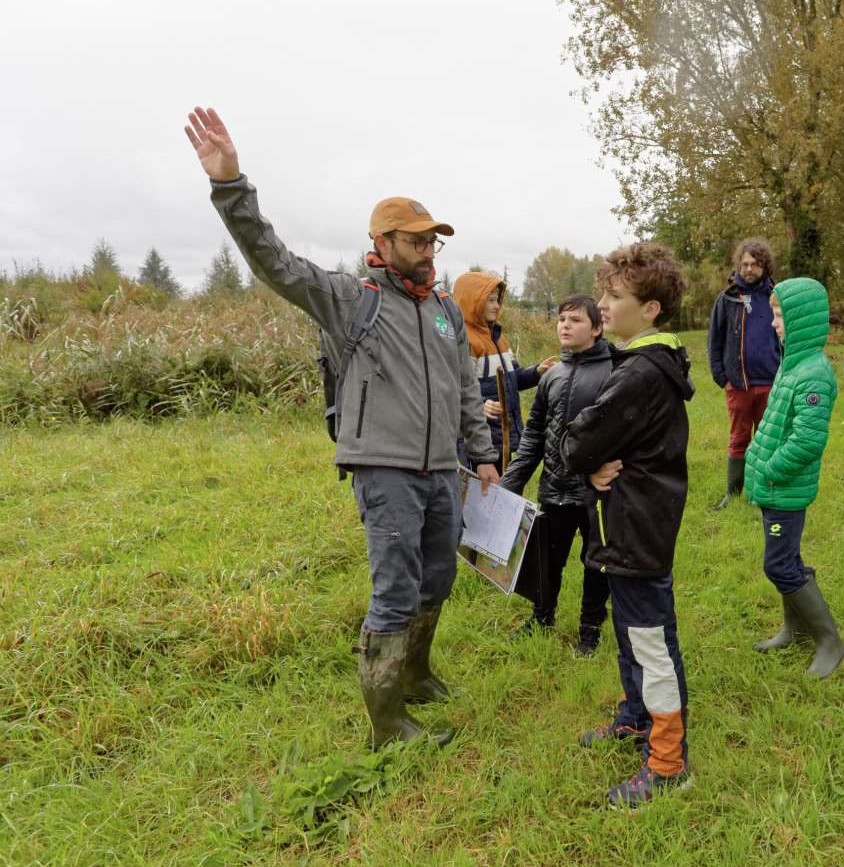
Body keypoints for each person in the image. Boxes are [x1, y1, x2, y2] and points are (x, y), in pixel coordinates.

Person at [183, 107, 499, 750]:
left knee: (439, 578)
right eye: (414, 240)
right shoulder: (353, 300)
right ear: (381, 244)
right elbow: (276, 264)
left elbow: (466, 386)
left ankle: (415, 675)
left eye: (432, 240)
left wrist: (483, 452)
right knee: (396, 589)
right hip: (384, 470)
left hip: (443, 469)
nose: (427, 250)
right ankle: (388, 726)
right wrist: (231, 186)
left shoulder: (442, 311)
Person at [560, 242, 695, 808]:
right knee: (631, 632)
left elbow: (578, 440)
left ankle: (668, 761)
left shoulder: (639, 372)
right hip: (628, 523)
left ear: (652, 310)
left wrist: (583, 459)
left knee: (650, 640)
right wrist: (592, 469)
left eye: (616, 297)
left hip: (638, 527)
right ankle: (637, 717)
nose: (604, 305)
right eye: (605, 294)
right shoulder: (642, 362)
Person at [745, 277, 844, 679]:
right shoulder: (793, 367)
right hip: (774, 488)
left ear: (801, 319)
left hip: (784, 488)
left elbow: (807, 441)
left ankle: (831, 643)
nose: (774, 323)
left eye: (778, 315)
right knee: (786, 560)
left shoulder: (813, 375)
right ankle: (795, 628)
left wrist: (770, 471)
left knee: (780, 566)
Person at [501, 295, 614, 652]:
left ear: (596, 328)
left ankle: (590, 628)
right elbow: (534, 432)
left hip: (596, 492)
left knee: (597, 562)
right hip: (553, 487)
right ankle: (542, 615)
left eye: (575, 320)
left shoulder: (614, 371)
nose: (565, 325)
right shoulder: (553, 375)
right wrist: (513, 480)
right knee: (547, 557)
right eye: (562, 319)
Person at [452, 271, 556, 468]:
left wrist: (537, 372)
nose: (497, 306)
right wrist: (482, 405)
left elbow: (513, 379)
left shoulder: (498, 338)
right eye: (490, 300)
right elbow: (455, 388)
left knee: (501, 495)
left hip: (503, 436)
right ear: (473, 301)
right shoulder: (465, 342)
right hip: (477, 439)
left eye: (497, 300)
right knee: (481, 496)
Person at [706, 238, 781, 509]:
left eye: (755, 264)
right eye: (745, 264)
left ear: (764, 266)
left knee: (768, 439)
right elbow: (714, 341)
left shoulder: (777, 296)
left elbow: (787, 338)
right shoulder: (727, 298)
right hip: (738, 384)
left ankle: (764, 491)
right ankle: (733, 493)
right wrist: (722, 378)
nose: (749, 269)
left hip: (771, 383)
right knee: (739, 438)